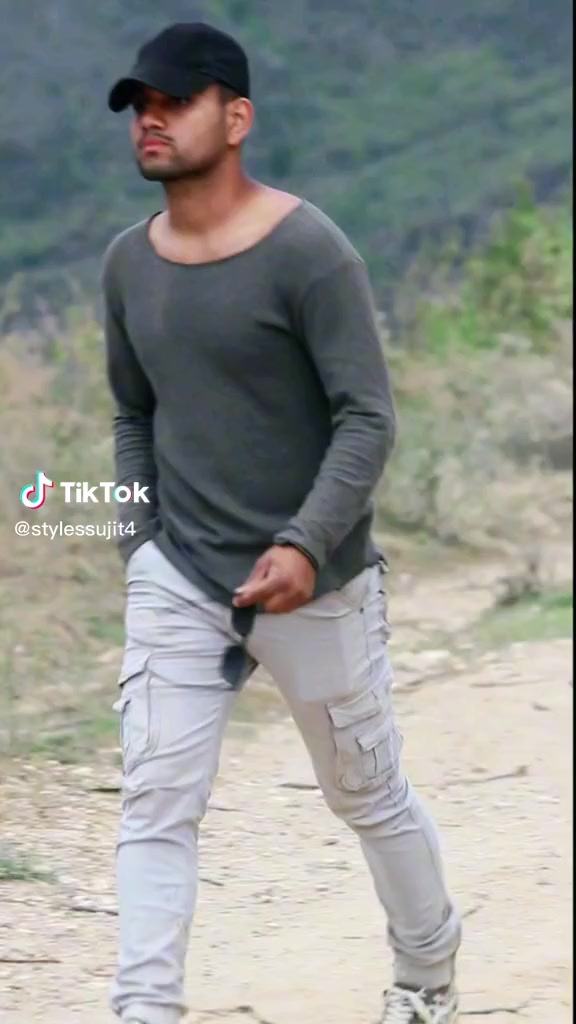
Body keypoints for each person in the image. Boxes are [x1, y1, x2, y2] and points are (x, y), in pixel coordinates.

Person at [102, 21, 461, 1024]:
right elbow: (133, 414)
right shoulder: (127, 264)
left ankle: (427, 976)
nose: (152, 120)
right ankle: (143, 1008)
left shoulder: (310, 253)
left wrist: (305, 542)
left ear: (237, 117)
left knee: (365, 793)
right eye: (141, 106)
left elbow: (367, 417)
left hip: (317, 582)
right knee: (156, 801)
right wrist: (140, 545)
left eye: (176, 101)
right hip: (180, 575)